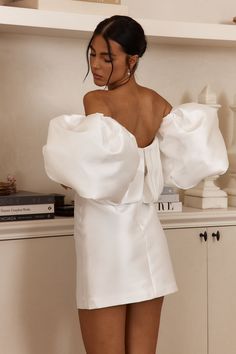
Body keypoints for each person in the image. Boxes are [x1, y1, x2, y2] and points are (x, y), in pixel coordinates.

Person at [43, 15, 229, 354]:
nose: (96, 65)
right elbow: (188, 156)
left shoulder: (96, 101)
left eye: (106, 57)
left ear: (133, 60)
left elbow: (89, 174)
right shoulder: (157, 103)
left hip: (105, 246)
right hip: (148, 242)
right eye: (92, 54)